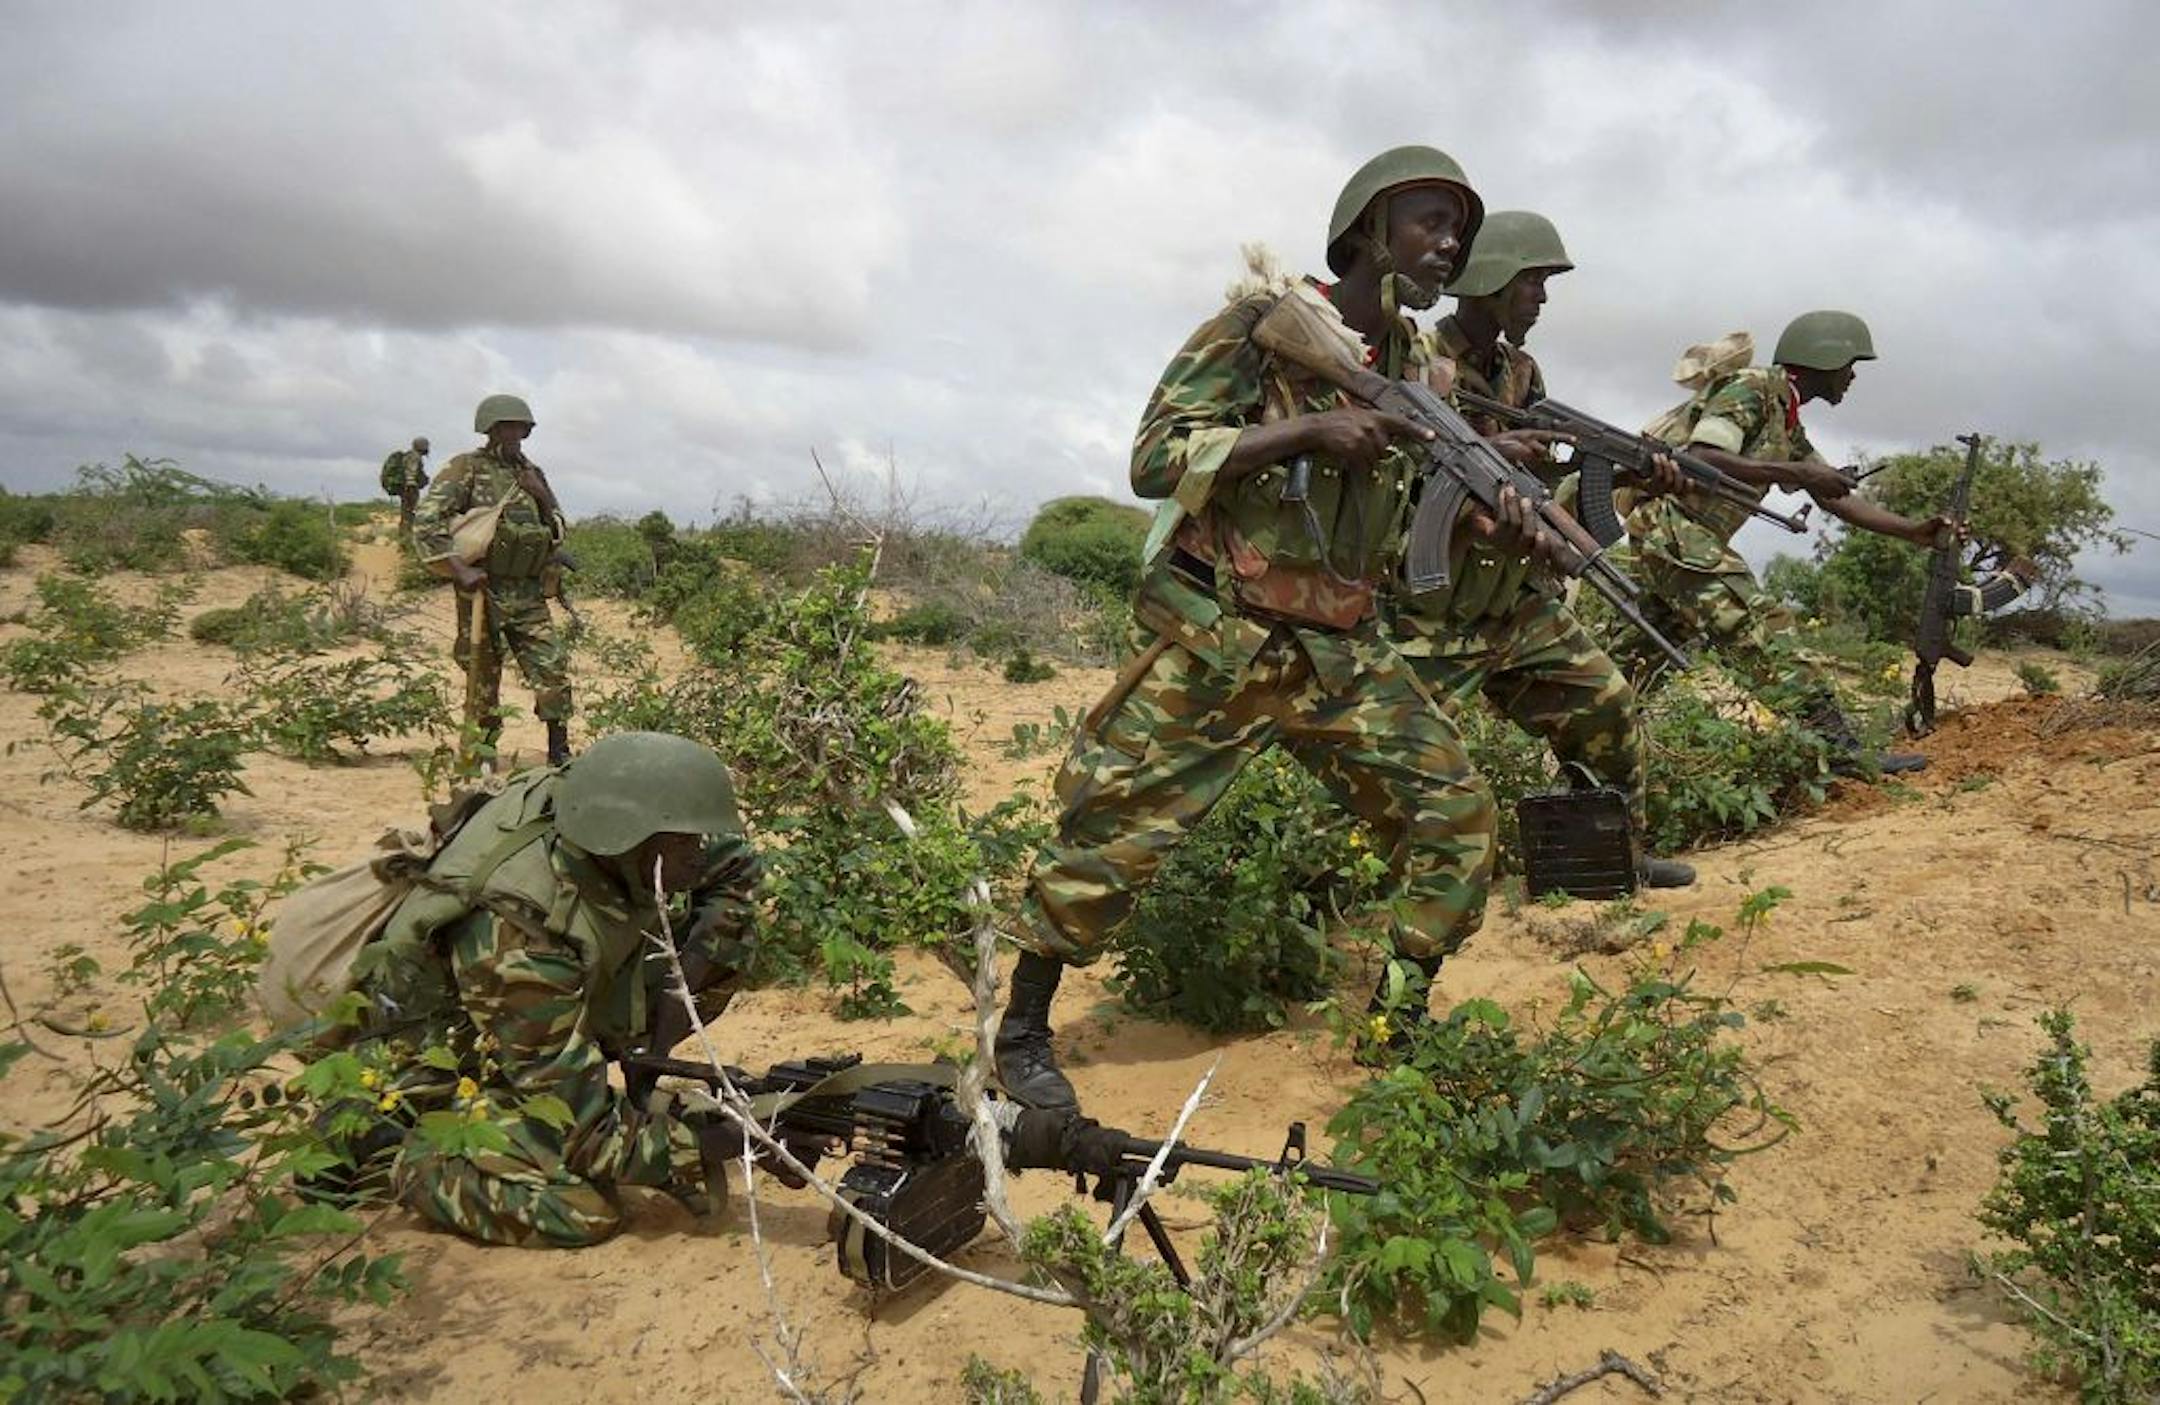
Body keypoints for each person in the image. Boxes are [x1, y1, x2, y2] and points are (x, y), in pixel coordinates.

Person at [997, 145, 1547, 1110]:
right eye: (1431, 220)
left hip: (1343, 648)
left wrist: (1486, 504)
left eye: (1458, 228)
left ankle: (1397, 1022)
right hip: (1227, 639)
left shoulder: (1422, 363)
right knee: (1107, 834)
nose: (1450, 241)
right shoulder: (1262, 326)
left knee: (1457, 815)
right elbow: (1155, 456)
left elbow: (1406, 501)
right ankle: (1023, 1031)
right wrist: (1302, 430)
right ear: (1372, 230)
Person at [345, 731, 767, 1247]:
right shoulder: (520, 935)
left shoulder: (604, 822)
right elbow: (583, 1134)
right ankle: (396, 1158)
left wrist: (666, 1024)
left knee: (725, 940)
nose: (695, 854)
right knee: (582, 1211)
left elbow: (735, 865)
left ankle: (580, 1074)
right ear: (626, 838)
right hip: (429, 1075)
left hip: (520, 1032)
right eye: (682, 842)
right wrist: (716, 1145)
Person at [1389, 210, 1692, 888]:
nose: (1543, 299)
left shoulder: (1521, 372)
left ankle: (1608, 860)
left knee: (1607, 705)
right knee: (1391, 763)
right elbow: (1402, 473)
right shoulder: (1420, 360)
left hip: (1515, 601)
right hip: (1433, 611)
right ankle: (1332, 896)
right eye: (1534, 282)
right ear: (1493, 280)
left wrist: (1621, 471)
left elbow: (1538, 478)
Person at [1611, 312, 1954, 773]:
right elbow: (1700, 456)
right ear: (1823, 358)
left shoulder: (1786, 419)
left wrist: (1912, 531)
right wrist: (1797, 472)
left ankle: (1588, 765)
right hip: (1675, 532)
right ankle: (1838, 749)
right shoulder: (1751, 389)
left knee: (1630, 666)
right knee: (1761, 625)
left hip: (1681, 539)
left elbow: (1834, 498)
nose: (1851, 377)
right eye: (1849, 364)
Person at [412, 394, 576, 768]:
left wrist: (542, 494)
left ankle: (559, 750)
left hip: (528, 592)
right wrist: (459, 570)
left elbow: (558, 527)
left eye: (519, 427)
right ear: (489, 429)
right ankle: (480, 754)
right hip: (483, 590)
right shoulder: (465, 468)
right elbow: (427, 522)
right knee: (482, 676)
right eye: (505, 426)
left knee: (551, 668)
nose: (512, 433)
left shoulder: (533, 472)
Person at [380, 436, 432, 535]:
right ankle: (406, 536)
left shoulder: (410, 455)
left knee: (406, 512)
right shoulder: (414, 457)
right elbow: (411, 474)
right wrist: (412, 487)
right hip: (410, 489)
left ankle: (405, 534)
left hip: (406, 488)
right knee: (409, 513)